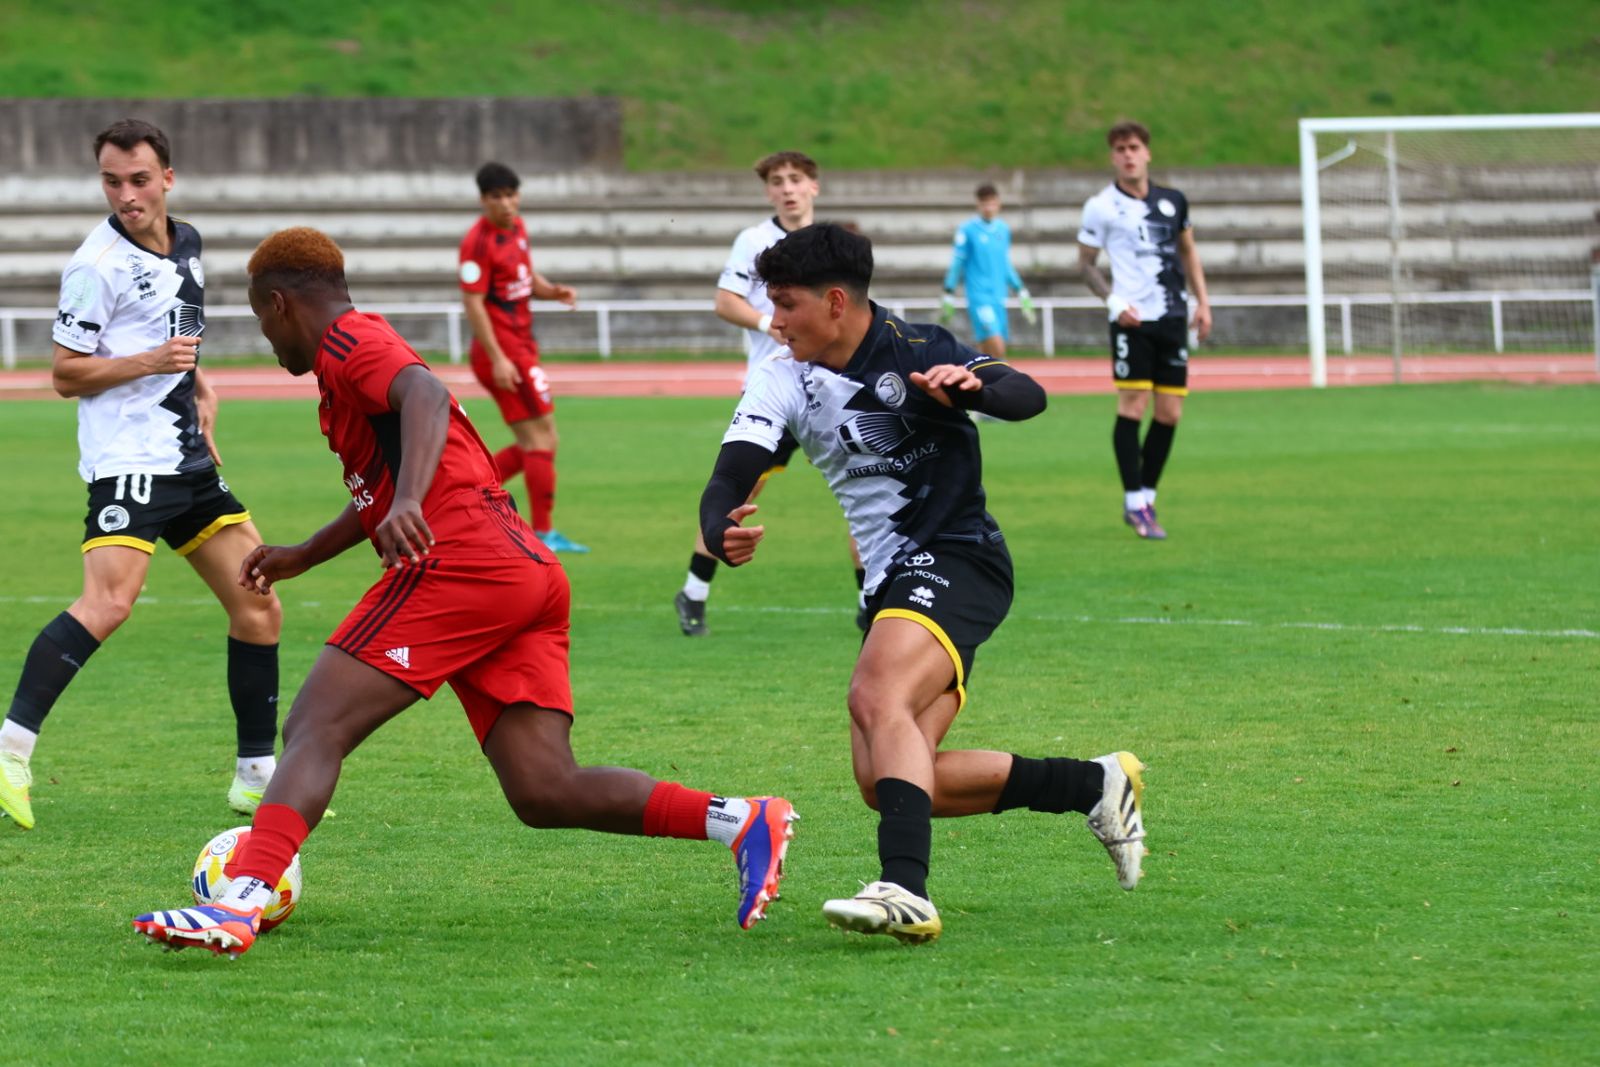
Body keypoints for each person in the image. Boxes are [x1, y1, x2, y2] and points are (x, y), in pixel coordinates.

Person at [131, 228, 795, 957]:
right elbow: (381, 489)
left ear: (281, 304)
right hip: (520, 569)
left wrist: (411, 499)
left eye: (262, 322)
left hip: (461, 563)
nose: (266, 339)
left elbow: (424, 394)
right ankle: (741, 819)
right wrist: (304, 554)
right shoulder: (343, 366)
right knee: (543, 786)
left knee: (317, 721)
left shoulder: (351, 341)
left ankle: (243, 899)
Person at [696, 223, 1147, 944]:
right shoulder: (783, 374)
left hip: (959, 555)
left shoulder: (920, 349)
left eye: (783, 304)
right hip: (890, 577)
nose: (772, 321)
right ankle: (1092, 784)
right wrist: (720, 525)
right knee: (887, 779)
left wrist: (976, 386)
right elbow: (730, 473)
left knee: (875, 695)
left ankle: (905, 888)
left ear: (835, 301)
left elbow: (1025, 394)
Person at [0, 119, 281, 831]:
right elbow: (64, 373)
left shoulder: (188, 243)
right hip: (127, 460)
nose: (126, 194)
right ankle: (9, 750)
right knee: (110, 603)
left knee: (258, 601)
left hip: (185, 456)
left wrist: (202, 389)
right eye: (111, 181)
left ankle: (257, 776)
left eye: (138, 179)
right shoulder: (95, 266)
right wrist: (149, 364)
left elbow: (180, 337)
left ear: (167, 178)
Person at [673, 150, 868, 637]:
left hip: (834, 386)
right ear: (768, 191)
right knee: (740, 490)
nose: (787, 188)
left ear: (814, 187)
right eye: (778, 181)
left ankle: (873, 603)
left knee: (868, 486)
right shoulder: (754, 242)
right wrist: (768, 324)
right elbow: (724, 302)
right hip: (775, 390)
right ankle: (694, 592)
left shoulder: (833, 244)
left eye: (796, 179)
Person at [1076, 121, 1212, 540]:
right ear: (1112, 157)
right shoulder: (1100, 206)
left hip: (1172, 317)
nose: (1128, 155)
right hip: (1132, 321)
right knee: (1132, 406)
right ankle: (1134, 500)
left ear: (1147, 153)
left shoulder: (1174, 201)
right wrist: (1115, 303)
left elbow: (1188, 251)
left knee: (1170, 412)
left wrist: (1203, 301)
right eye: (1120, 149)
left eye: (1134, 147)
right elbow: (1085, 265)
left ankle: (1147, 497)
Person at [458, 161, 588, 554]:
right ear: (484, 200)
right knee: (541, 439)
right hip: (502, 351)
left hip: (522, 345)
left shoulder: (517, 229)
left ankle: (468, 492)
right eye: (497, 197)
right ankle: (544, 532)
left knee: (539, 439)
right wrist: (498, 358)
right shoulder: (476, 243)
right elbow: (474, 304)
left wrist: (552, 292)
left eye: (511, 195)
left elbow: (526, 277)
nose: (507, 204)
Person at [940, 182, 1036, 360]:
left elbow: (1004, 263)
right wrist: (948, 291)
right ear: (978, 204)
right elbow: (957, 263)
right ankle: (1005, 385)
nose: (988, 207)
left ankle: (976, 384)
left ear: (998, 203)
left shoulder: (1003, 229)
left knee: (985, 353)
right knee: (997, 347)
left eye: (992, 202)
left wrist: (1021, 290)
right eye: (984, 203)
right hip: (979, 298)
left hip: (999, 297)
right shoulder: (967, 230)